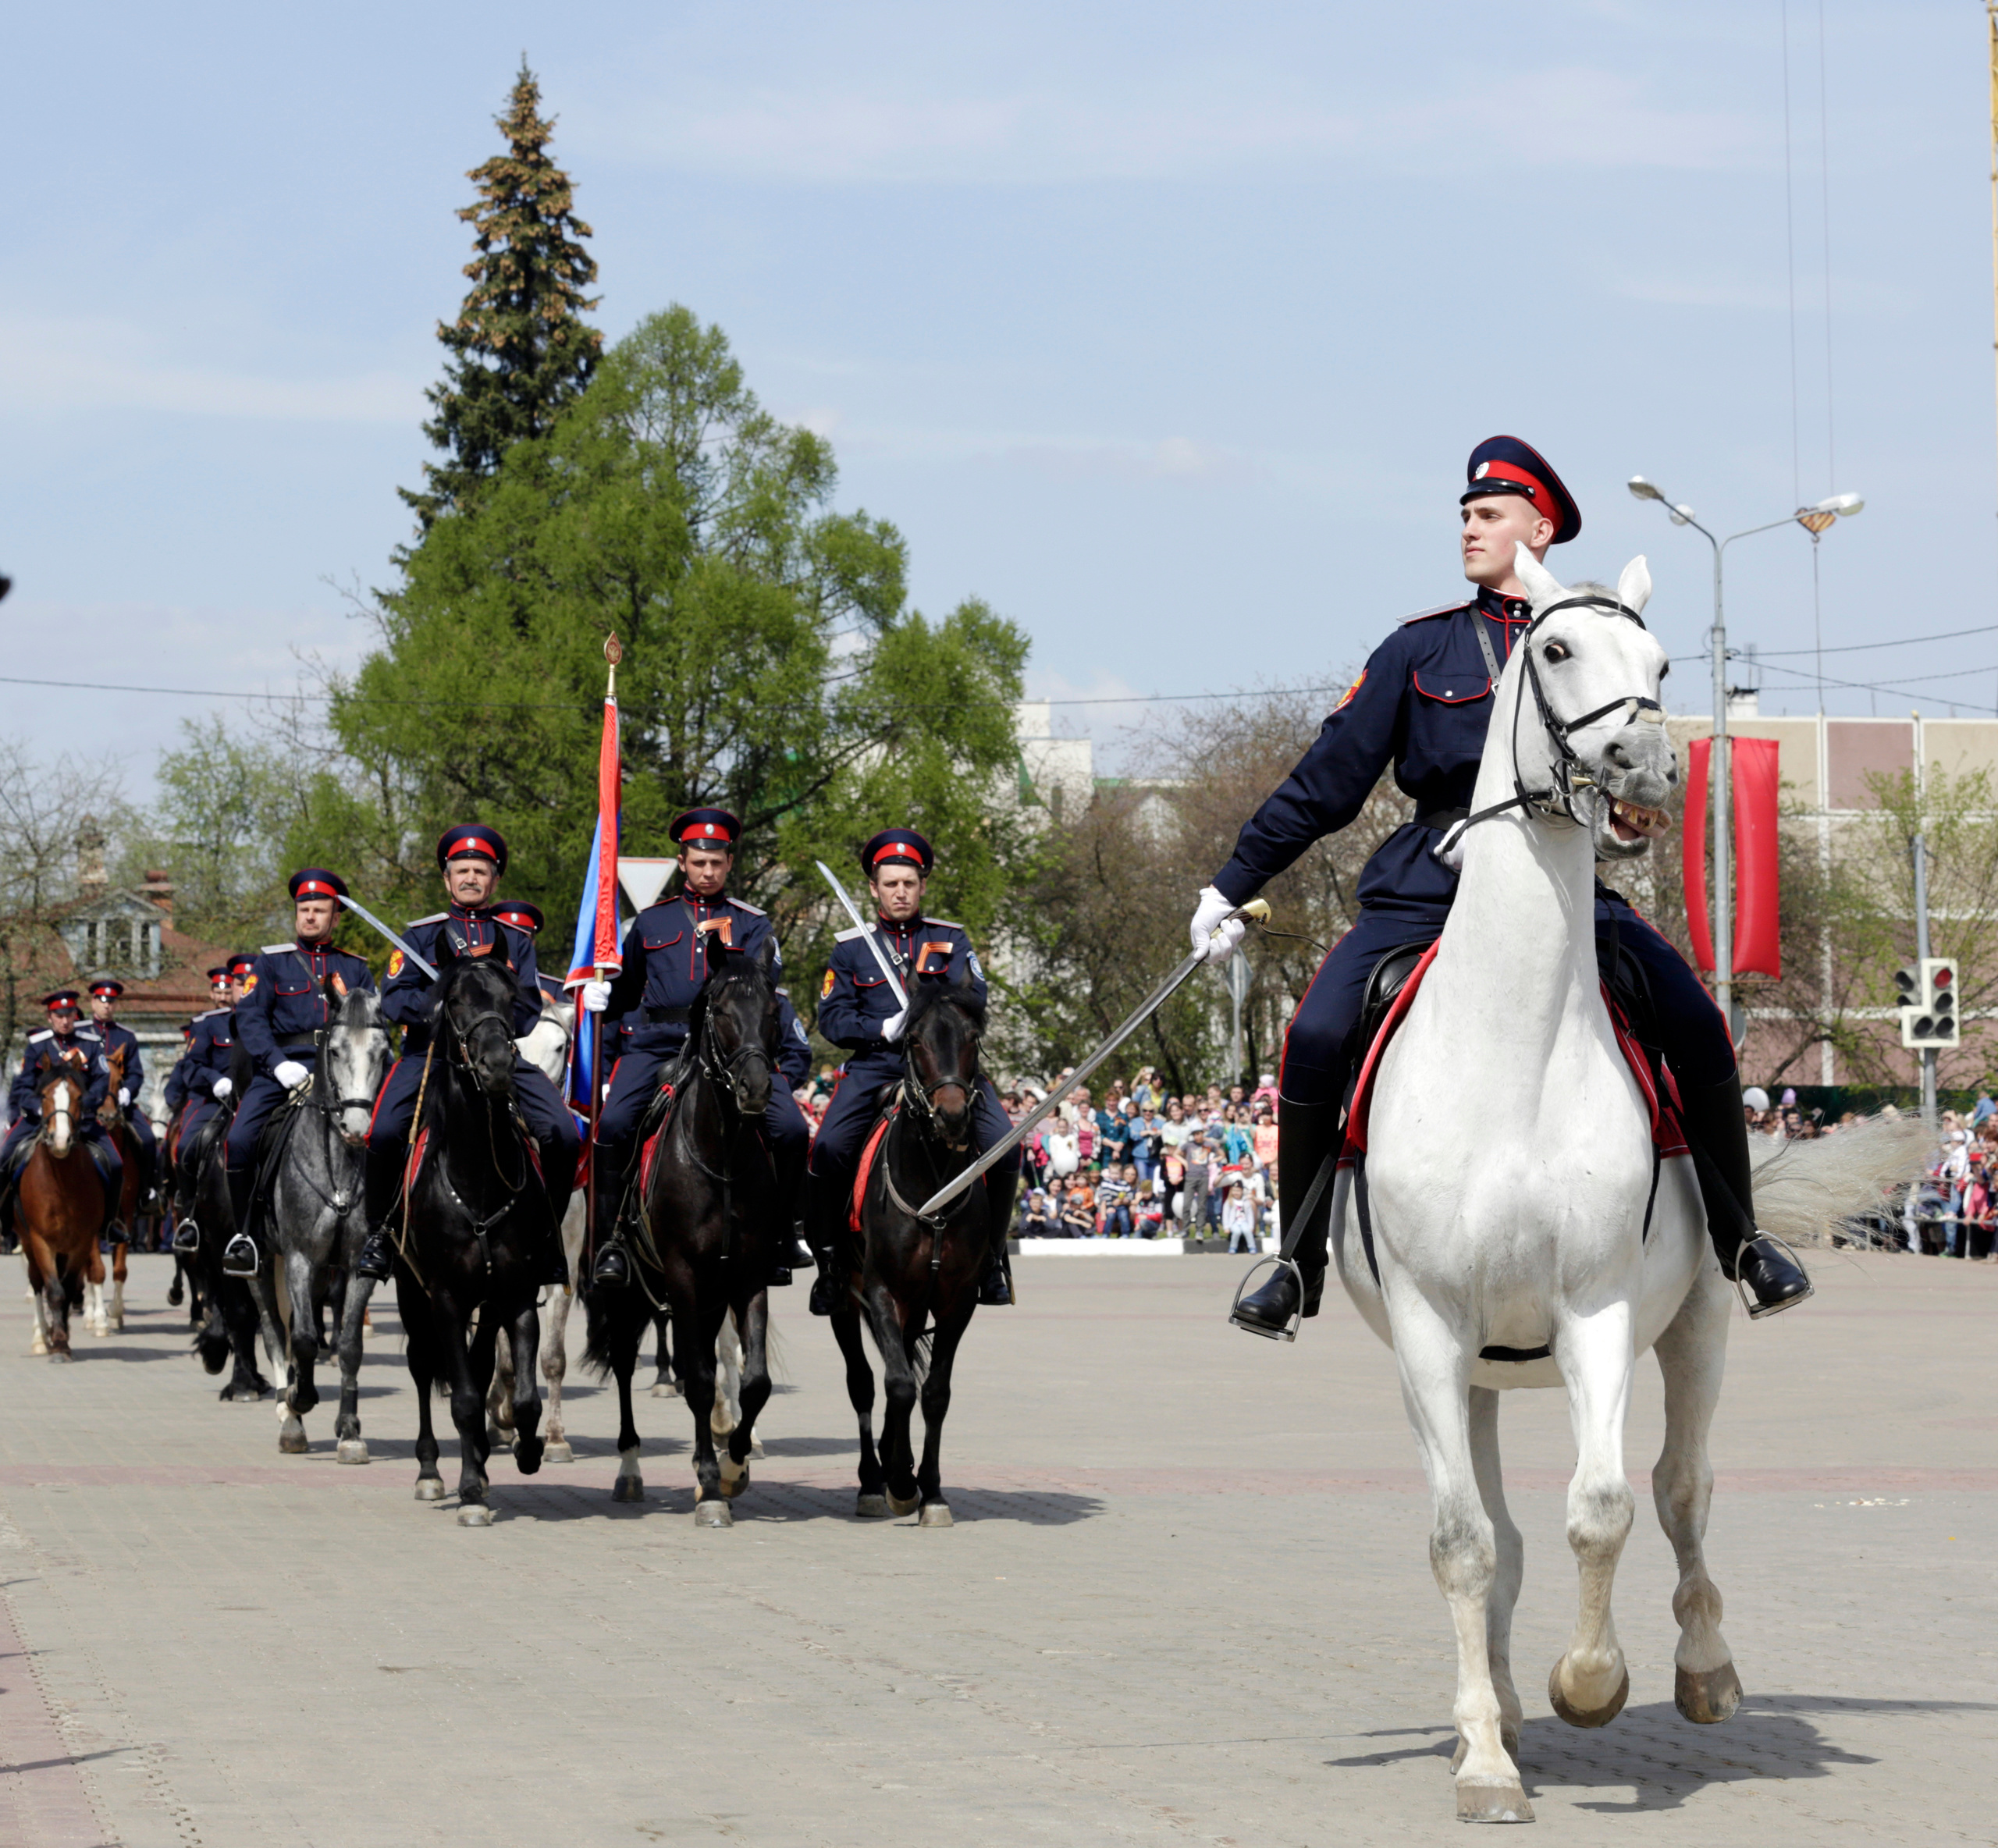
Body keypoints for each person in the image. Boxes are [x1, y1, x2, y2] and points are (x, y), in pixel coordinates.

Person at [1195, 435, 1812, 1337]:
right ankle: (1295, 1263)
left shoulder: (1597, 641)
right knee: (1316, 1030)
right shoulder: (1421, 647)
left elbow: (1620, 765)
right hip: (1426, 892)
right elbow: (1327, 781)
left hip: (1565, 895)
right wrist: (1229, 887)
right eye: (1464, 515)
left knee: (1694, 1021)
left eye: (1488, 515)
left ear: (1540, 529)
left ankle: (1741, 1240)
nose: (1468, 529)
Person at [581, 807, 812, 1290]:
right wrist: (599, 1001)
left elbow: (763, 993)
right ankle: (611, 1241)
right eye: (699, 861)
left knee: (790, 1128)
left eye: (718, 862)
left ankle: (785, 1233)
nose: (708, 871)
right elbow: (625, 998)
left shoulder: (753, 926)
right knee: (614, 1126)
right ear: (682, 861)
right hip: (655, 1044)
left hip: (728, 1048)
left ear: (730, 863)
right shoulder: (650, 923)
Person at [805, 827, 1020, 1312]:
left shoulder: (950, 938)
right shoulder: (851, 949)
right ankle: (830, 1262)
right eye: (890, 884)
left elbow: (977, 999)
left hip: (943, 1070)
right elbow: (832, 1018)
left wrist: (931, 1009)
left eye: (909, 883)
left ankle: (991, 1260)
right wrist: (882, 1028)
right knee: (828, 1149)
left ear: (922, 886)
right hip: (877, 1067)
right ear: (874, 889)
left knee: (1006, 1149)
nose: (900, 892)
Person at [355, 826, 578, 1287]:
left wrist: (487, 1025)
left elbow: (529, 1007)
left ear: (494, 881)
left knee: (563, 1133)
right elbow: (393, 998)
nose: (471, 878)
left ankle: (548, 1238)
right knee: (383, 1134)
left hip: (497, 1056)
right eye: (463, 871)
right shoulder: (421, 936)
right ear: (447, 879)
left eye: (481, 871)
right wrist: (438, 1010)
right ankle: (379, 1233)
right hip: (430, 1057)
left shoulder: (515, 939)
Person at [219, 871, 378, 1277]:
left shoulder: (355, 968)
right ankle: (247, 1237)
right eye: (303, 910)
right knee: (238, 1140)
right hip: (286, 1069)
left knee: (388, 1135)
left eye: (318, 910)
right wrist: (276, 1063)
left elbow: (374, 1027)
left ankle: (381, 1233)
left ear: (335, 916)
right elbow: (251, 1017)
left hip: (344, 1076)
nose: (309, 917)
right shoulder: (272, 962)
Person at [0, 990, 126, 1240]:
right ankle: (5, 1220)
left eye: (69, 1015)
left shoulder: (91, 1043)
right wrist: (35, 1106)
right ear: (50, 1017)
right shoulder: (38, 1045)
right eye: (59, 1016)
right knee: (3, 1157)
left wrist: (83, 1104)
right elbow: (23, 1085)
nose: (65, 1021)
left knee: (116, 1164)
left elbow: (102, 1081)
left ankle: (109, 1224)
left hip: (83, 1119)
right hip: (39, 1120)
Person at [165, 961, 248, 1252]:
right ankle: (190, 1217)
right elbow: (191, 1066)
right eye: (239, 983)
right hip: (215, 1101)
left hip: (254, 1098)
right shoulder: (208, 1023)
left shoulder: (269, 1020)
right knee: (186, 1146)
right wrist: (215, 1080)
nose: (240, 989)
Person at [87, 980, 157, 1213]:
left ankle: (147, 1189)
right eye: (102, 1001)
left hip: (120, 1104)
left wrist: (127, 1091)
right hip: (88, 1105)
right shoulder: (81, 1033)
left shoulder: (126, 1036)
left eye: (111, 1002)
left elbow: (136, 1073)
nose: (107, 1006)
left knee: (147, 1139)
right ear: (93, 1002)